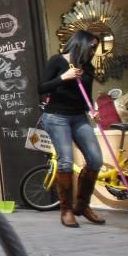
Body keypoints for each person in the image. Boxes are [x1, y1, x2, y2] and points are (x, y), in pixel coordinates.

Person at [38, 30, 105, 228]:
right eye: (91, 46)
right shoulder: (57, 61)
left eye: (95, 47)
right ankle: (66, 210)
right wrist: (63, 77)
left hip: (79, 117)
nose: (93, 51)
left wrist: (92, 110)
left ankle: (82, 206)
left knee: (96, 160)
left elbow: (85, 96)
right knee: (66, 161)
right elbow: (41, 88)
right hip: (56, 117)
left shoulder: (88, 68)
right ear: (80, 44)